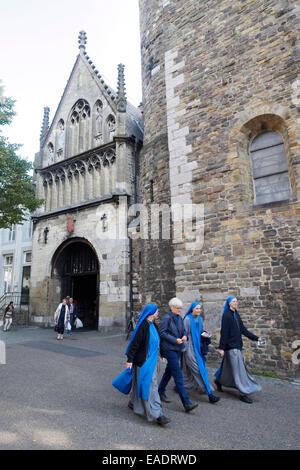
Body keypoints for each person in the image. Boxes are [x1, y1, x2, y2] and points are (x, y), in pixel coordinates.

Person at [112, 304, 170, 426]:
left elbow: (159, 341)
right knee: (151, 387)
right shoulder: (142, 327)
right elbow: (134, 345)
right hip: (143, 362)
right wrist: (129, 360)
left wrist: (163, 354)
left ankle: (133, 402)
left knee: (139, 383)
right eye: (156, 312)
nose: (158, 313)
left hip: (154, 361)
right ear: (151, 313)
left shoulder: (154, 325)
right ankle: (157, 414)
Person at [215, 296, 262, 404]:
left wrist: (256, 338)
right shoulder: (226, 315)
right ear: (229, 303)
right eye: (233, 301)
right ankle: (243, 393)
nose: (236, 303)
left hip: (237, 347)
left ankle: (218, 381)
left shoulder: (236, 314)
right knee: (239, 371)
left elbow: (243, 330)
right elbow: (224, 333)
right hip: (232, 348)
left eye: (236, 301)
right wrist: (221, 348)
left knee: (227, 368)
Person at [158, 297, 198, 413]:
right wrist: (175, 340)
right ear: (172, 307)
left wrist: (185, 336)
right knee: (177, 375)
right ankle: (186, 403)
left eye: (181, 308)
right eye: (178, 308)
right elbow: (162, 332)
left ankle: (160, 391)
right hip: (170, 349)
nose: (180, 310)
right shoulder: (166, 318)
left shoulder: (179, 318)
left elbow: (183, 331)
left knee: (169, 371)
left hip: (178, 348)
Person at [181, 302, 220, 404]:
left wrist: (205, 334)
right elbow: (184, 334)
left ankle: (182, 386)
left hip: (198, 348)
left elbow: (201, 330)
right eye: (197, 308)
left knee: (195, 370)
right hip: (189, 348)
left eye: (200, 309)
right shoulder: (187, 319)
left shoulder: (200, 319)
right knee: (197, 370)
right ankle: (209, 394)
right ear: (192, 309)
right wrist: (184, 351)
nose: (199, 310)